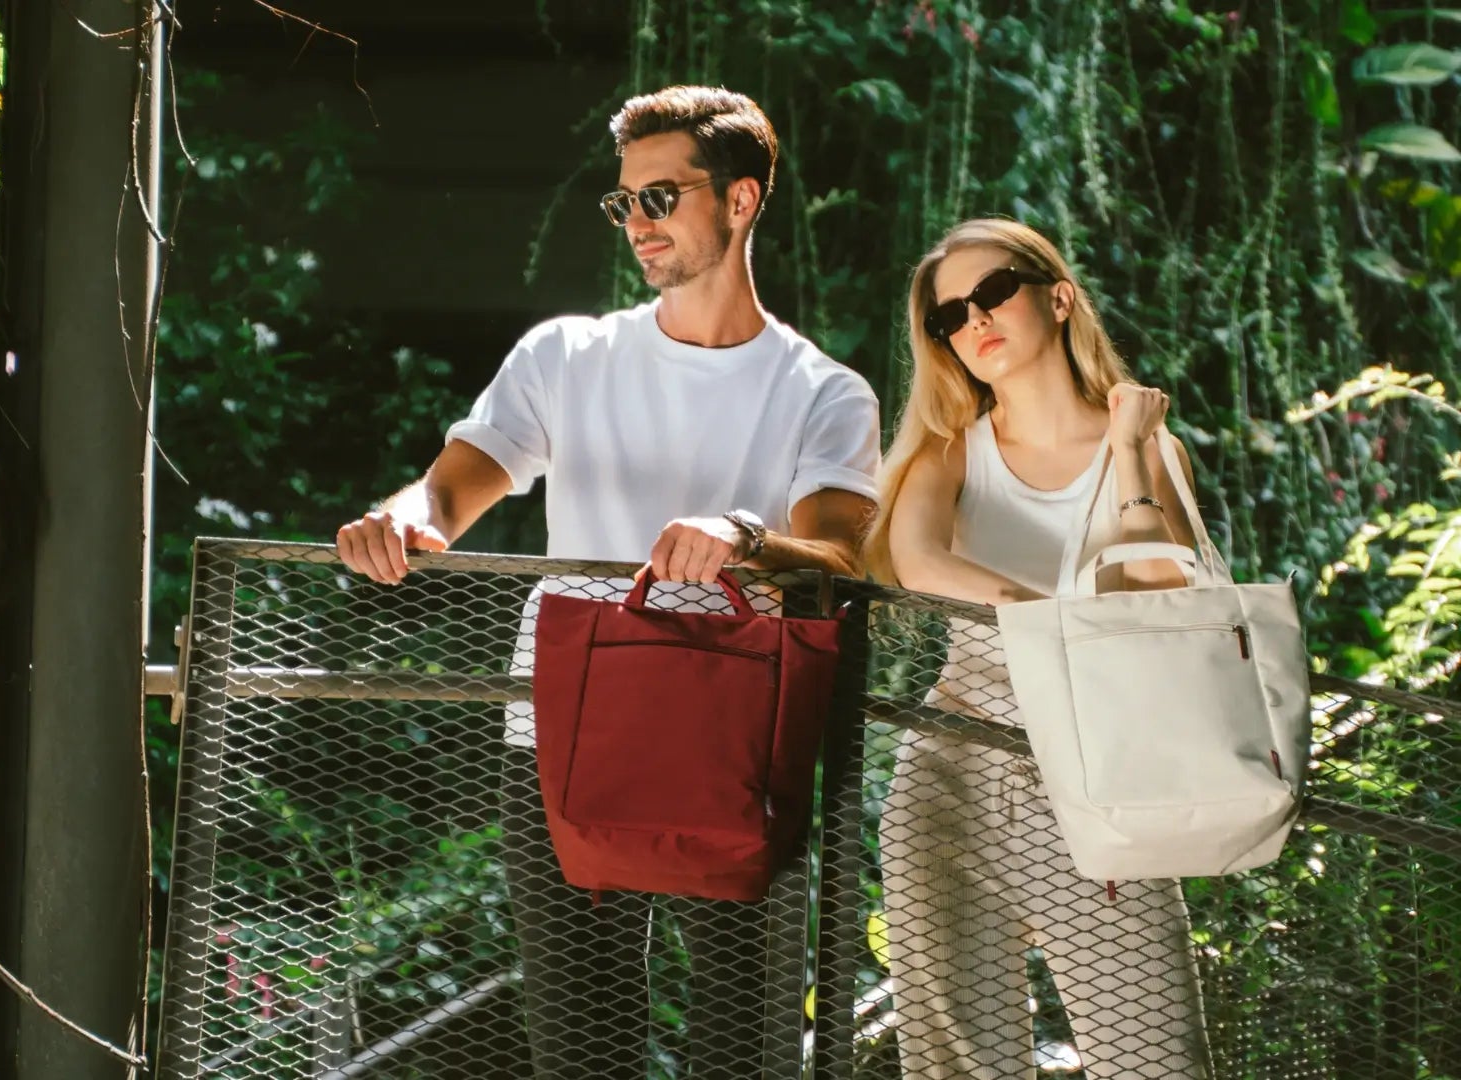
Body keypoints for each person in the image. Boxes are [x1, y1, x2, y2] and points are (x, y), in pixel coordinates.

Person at [336, 85, 880, 1079]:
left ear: (741, 200)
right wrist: (404, 521)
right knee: (579, 1040)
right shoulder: (565, 354)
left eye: (660, 197)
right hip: (563, 725)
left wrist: (743, 535)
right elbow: (447, 492)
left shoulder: (824, 394)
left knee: (746, 1041)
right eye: (623, 201)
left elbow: (842, 559)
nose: (637, 222)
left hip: (734, 733)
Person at [861, 217, 1212, 1079]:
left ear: (1058, 297)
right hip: (955, 765)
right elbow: (919, 561)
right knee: (956, 1066)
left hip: (1097, 771)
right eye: (950, 316)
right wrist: (1056, 623)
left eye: (992, 292)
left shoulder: (1147, 447)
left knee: (1153, 1057)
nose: (975, 319)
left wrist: (1128, 450)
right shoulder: (948, 453)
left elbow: (1164, 594)